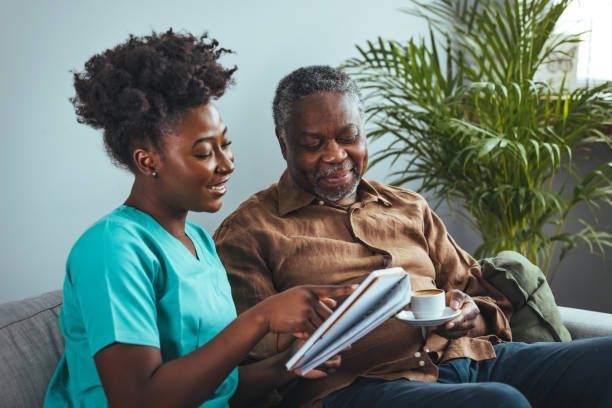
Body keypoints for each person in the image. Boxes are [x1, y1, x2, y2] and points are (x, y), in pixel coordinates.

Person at [213, 65, 612, 408]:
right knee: (499, 403)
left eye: (348, 137)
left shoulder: (408, 207)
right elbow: (252, 373)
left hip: (467, 359)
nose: (335, 155)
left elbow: (482, 296)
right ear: (284, 145)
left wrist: (470, 313)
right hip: (363, 387)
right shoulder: (251, 232)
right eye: (313, 144)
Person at [43, 34, 355, 408]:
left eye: (226, 144)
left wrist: (293, 363)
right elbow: (137, 400)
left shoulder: (199, 243)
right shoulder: (112, 249)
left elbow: (218, 388)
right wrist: (261, 318)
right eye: (205, 152)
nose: (227, 164)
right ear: (147, 161)